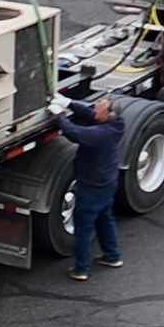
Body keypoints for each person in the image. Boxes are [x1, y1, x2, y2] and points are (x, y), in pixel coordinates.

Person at [48, 91, 124, 281]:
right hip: (106, 184)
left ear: (109, 114)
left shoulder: (101, 134)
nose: (95, 106)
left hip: (92, 187)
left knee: (83, 228)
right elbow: (89, 114)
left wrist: (59, 116)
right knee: (105, 219)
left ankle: (81, 269)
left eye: (100, 105)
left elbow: (75, 133)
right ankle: (112, 255)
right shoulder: (116, 124)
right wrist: (69, 102)